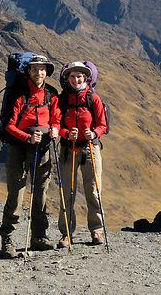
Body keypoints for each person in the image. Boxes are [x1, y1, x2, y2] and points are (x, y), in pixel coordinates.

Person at [0, 54, 61, 258]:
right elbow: (8, 125)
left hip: (42, 148)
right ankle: (8, 239)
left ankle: (39, 237)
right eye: (35, 69)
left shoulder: (51, 95)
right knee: (16, 192)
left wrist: (54, 130)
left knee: (41, 192)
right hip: (19, 146)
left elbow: (57, 119)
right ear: (28, 71)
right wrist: (27, 137)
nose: (39, 72)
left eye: (42, 69)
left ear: (47, 72)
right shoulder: (18, 94)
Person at [56, 60, 108, 247]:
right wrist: (66, 133)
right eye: (72, 76)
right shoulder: (62, 99)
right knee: (67, 192)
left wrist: (94, 133)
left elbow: (103, 124)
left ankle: (97, 230)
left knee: (93, 190)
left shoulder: (93, 98)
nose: (76, 79)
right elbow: (56, 124)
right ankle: (66, 233)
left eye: (79, 76)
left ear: (86, 77)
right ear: (67, 78)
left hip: (90, 148)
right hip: (68, 148)